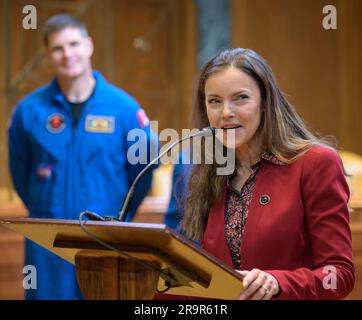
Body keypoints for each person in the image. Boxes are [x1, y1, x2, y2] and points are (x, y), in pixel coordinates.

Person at [179, 48, 355, 300]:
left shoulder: (316, 164)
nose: (225, 112)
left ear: (265, 103)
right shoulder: (210, 171)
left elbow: (338, 275)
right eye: (214, 101)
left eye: (240, 98)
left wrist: (278, 281)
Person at [8, 14, 158, 300]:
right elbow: (20, 173)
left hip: (105, 241)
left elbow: (143, 173)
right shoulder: (28, 111)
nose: (68, 55)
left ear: (89, 45)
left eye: (74, 44)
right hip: (48, 243)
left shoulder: (124, 109)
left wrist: (119, 220)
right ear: (48, 54)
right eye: (58, 48)